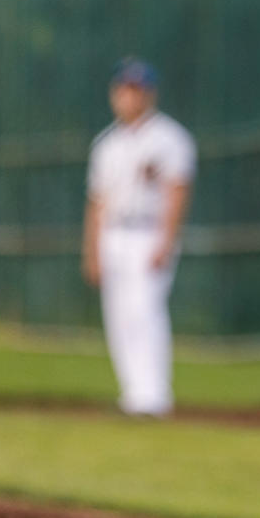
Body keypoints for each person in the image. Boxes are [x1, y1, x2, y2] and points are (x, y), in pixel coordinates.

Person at [81, 57, 196, 417]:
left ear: (150, 93)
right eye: (124, 89)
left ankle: (154, 396)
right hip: (114, 234)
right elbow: (96, 203)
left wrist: (167, 240)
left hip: (149, 231)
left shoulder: (169, 138)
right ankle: (133, 395)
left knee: (145, 311)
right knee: (118, 316)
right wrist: (91, 251)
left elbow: (177, 191)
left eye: (137, 89)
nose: (130, 96)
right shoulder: (106, 144)